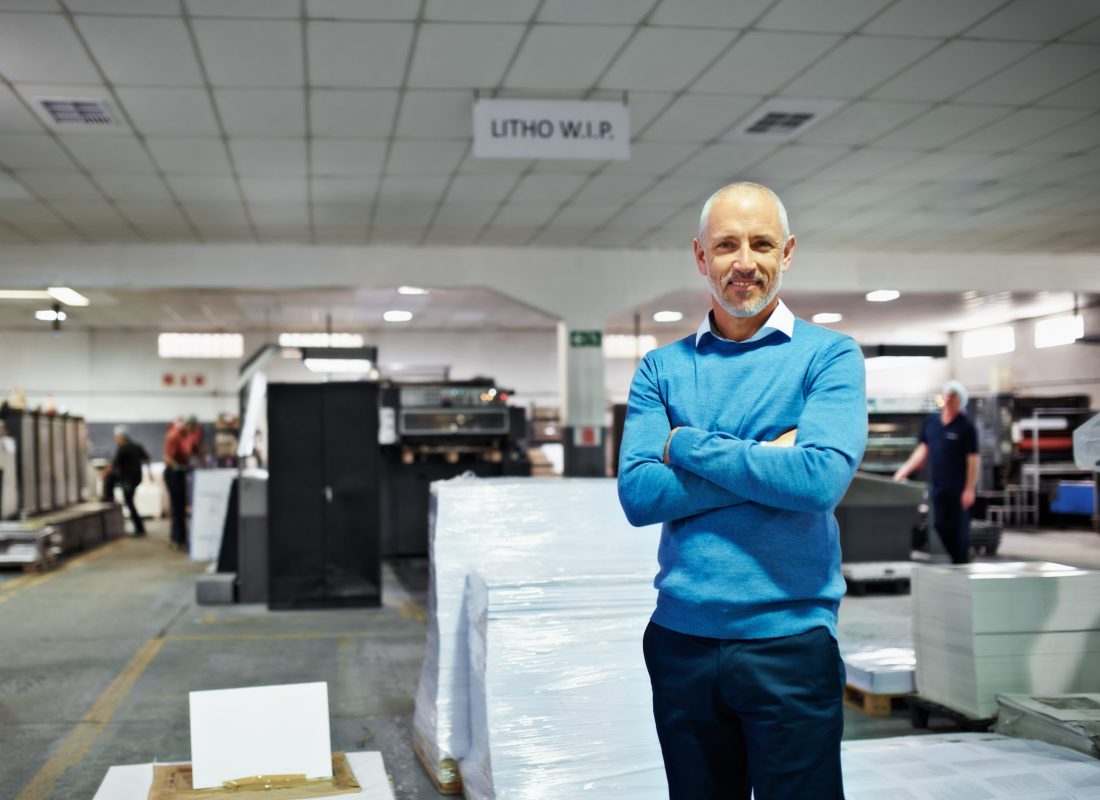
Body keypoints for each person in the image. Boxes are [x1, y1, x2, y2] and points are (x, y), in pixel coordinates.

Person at [617, 182, 867, 800]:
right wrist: (766, 461)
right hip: (682, 643)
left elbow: (819, 480)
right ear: (702, 256)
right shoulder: (660, 367)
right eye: (727, 245)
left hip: (790, 642)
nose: (745, 262)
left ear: (787, 252)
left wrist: (686, 444)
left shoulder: (829, 357)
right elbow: (640, 496)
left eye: (761, 244)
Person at [893, 380, 979, 564]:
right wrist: (904, 471)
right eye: (947, 395)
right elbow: (922, 451)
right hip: (938, 487)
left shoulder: (966, 427)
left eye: (954, 397)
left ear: (960, 401)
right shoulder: (931, 423)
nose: (949, 399)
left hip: (959, 490)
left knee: (959, 533)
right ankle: (957, 559)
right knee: (939, 525)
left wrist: (970, 489)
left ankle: (961, 566)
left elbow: (973, 460)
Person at [163, 416, 202, 551]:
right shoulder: (174, 435)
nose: (193, 431)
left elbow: (195, 452)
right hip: (173, 473)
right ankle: (176, 538)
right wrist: (177, 467)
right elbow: (167, 457)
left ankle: (181, 538)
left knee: (181, 507)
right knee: (177, 507)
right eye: (191, 428)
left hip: (181, 472)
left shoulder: (188, 436)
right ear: (187, 425)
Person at [104, 425, 150, 536]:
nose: (116, 439)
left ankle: (108, 498)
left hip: (127, 480)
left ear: (121, 437)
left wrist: (104, 472)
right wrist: (150, 473)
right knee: (129, 502)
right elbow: (147, 459)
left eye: (117, 437)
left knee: (129, 502)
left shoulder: (123, 448)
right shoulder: (136, 446)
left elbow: (114, 465)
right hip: (135, 479)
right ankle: (139, 528)